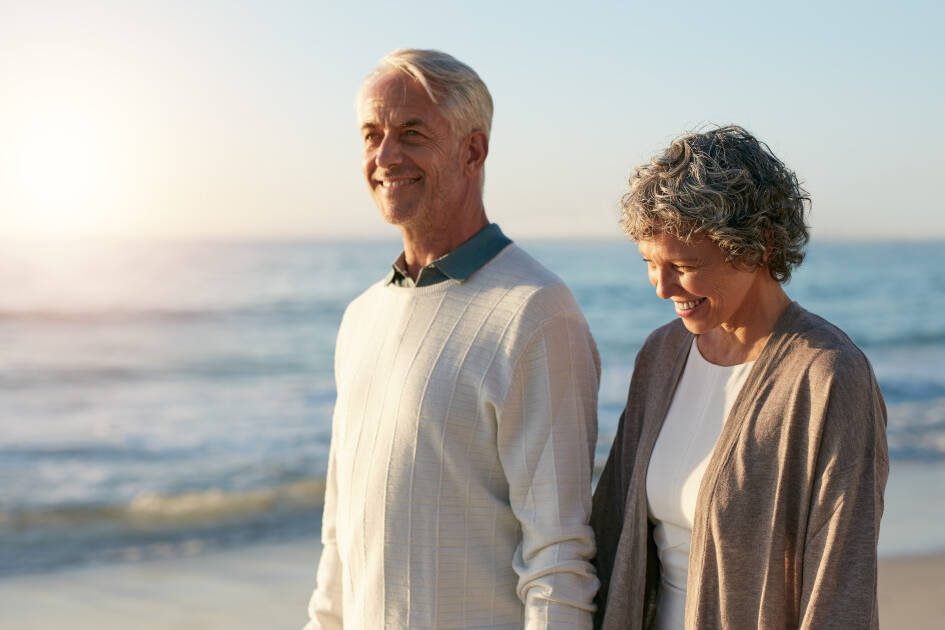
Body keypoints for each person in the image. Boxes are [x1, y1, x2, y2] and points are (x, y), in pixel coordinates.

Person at [304, 49, 600, 629]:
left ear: (473, 150)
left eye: (411, 134)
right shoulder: (362, 317)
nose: (385, 157)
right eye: (371, 135)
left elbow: (558, 559)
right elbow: (341, 544)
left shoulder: (537, 313)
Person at [591, 125, 888, 629]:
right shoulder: (661, 355)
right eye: (649, 263)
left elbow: (841, 582)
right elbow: (611, 525)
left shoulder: (827, 376)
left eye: (684, 265)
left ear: (759, 246)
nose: (662, 288)